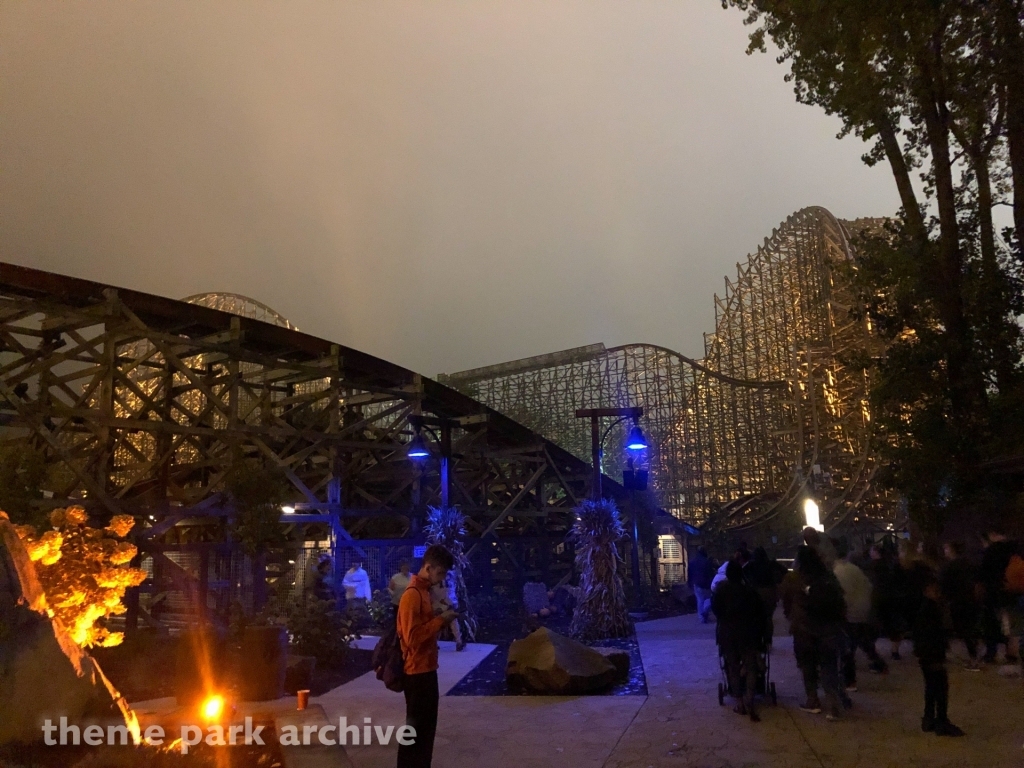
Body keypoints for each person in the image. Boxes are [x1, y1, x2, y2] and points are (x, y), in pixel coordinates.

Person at [396, 544, 458, 768]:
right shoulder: (412, 595)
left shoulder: (423, 592)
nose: (441, 579)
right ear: (428, 568)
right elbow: (412, 637)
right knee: (416, 733)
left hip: (427, 668)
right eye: (439, 573)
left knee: (424, 731)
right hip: (417, 671)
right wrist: (441, 620)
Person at [712, 560, 767, 721]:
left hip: (728, 634)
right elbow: (760, 614)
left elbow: (717, 611)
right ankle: (750, 698)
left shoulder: (721, 591)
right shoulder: (750, 592)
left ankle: (739, 702)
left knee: (733, 667)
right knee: (750, 667)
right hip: (748, 634)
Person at [914, 576, 965, 736]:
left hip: (927, 653)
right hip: (932, 653)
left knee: (931, 686)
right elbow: (932, 634)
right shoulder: (930, 611)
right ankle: (941, 720)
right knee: (940, 686)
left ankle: (929, 718)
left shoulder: (923, 608)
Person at [833, 539, 887, 690]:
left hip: (849, 613)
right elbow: (867, 587)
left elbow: (844, 595)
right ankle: (879, 665)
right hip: (861, 610)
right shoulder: (852, 568)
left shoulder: (838, 571)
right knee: (862, 640)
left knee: (848, 647)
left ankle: (849, 680)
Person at [979, 529, 1019, 665]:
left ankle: (991, 653)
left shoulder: (991, 551)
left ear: (992, 534)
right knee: (1013, 623)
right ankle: (1012, 652)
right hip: (1014, 591)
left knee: (991, 623)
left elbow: (983, 573)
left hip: (994, 592)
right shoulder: (1015, 548)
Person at [939, 541, 981, 670]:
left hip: (956, 600)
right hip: (970, 598)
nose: (945, 551)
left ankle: (972, 657)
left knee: (961, 628)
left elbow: (943, 584)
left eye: (946, 549)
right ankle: (974, 655)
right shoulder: (969, 564)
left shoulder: (949, 567)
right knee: (969, 628)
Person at [432, 570, 465, 652]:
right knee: (450, 623)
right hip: (445, 602)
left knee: (440, 622)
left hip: (441, 602)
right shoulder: (450, 573)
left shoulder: (440, 572)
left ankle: (458, 642)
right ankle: (458, 641)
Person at [688, 546, 715, 623]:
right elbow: (710, 573)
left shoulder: (692, 561)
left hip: (696, 584)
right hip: (706, 584)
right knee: (708, 600)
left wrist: (690, 583)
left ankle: (702, 616)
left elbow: (690, 573)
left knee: (700, 600)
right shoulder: (706, 562)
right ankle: (705, 613)